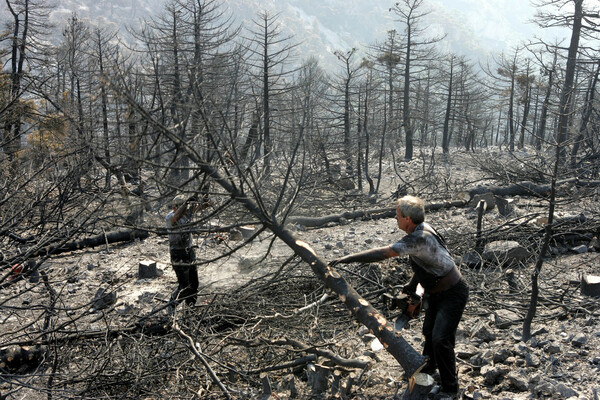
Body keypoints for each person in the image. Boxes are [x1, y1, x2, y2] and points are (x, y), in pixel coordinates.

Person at [329, 195, 469, 400]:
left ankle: (450, 389)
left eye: (397, 216)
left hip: (452, 293)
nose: (395, 219)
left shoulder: (419, 238)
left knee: (441, 339)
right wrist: (412, 287)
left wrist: (349, 258)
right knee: (429, 333)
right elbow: (427, 263)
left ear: (408, 220)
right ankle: (428, 371)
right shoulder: (421, 232)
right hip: (437, 291)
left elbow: (383, 253)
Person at [166, 194, 206, 308]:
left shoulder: (187, 213)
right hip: (178, 253)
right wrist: (187, 203)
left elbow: (204, 205)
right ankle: (171, 307)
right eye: (181, 206)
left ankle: (190, 310)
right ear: (174, 208)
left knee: (194, 284)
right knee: (184, 286)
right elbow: (176, 216)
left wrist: (204, 194)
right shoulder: (170, 217)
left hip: (189, 252)